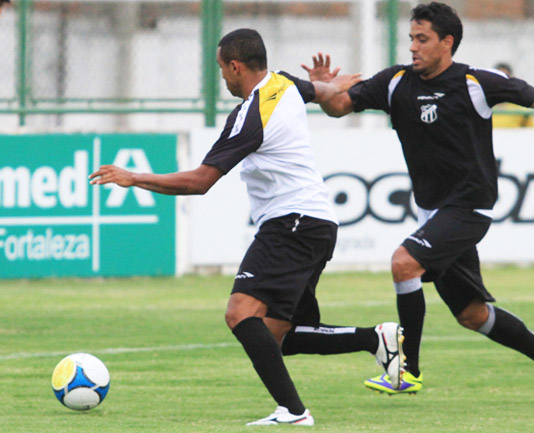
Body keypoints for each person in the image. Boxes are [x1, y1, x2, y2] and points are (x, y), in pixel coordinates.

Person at [303, 1, 534, 404]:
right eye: (411, 38)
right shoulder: (395, 81)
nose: (412, 46)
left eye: (422, 39)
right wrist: (325, 88)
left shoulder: (477, 83)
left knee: (403, 263)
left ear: (446, 43)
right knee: (472, 316)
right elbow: (339, 107)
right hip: (433, 210)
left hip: (470, 207)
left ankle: (407, 371)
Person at [89, 28, 405, 426]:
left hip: (292, 222)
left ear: (235, 65)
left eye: (222, 68)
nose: (222, 77)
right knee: (277, 336)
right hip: (316, 223)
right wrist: (331, 82)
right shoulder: (285, 83)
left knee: (240, 313)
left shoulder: (251, 115)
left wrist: (134, 178)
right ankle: (375, 339)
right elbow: (326, 91)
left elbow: (200, 182)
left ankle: (293, 412)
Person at [491, 62, 534, 128]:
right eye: (498, 78)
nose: (501, 82)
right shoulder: (485, 104)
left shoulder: (521, 108)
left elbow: (532, 130)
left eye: (505, 77)